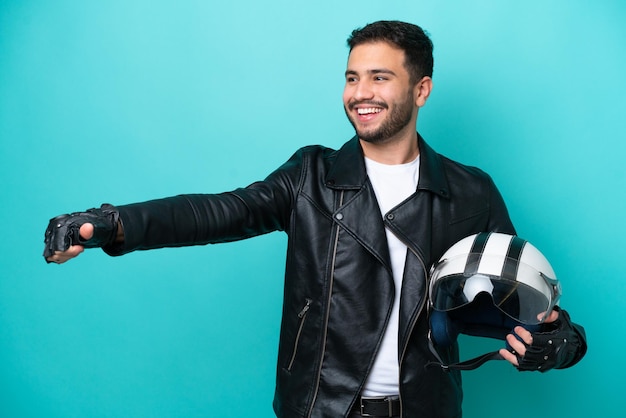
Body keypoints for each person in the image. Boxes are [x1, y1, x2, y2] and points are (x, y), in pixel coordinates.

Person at [44, 21, 586, 418]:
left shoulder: (470, 191)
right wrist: (112, 224)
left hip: (425, 408)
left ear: (420, 90)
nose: (360, 94)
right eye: (352, 78)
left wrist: (560, 342)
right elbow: (216, 211)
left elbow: (520, 304)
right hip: (320, 407)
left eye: (379, 77)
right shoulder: (311, 175)